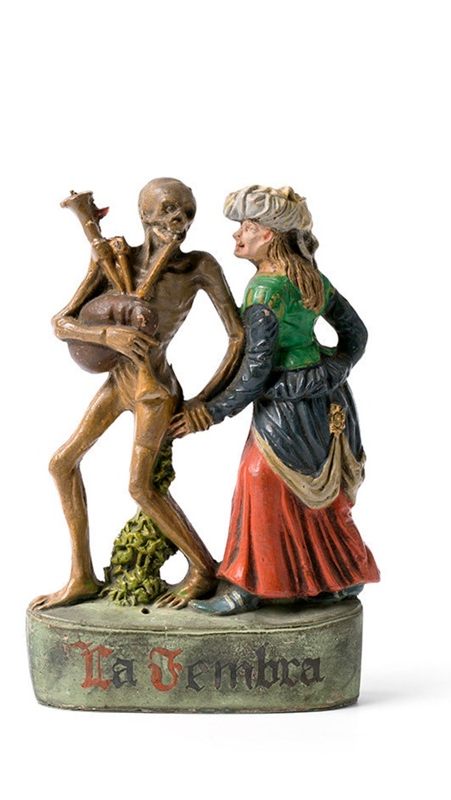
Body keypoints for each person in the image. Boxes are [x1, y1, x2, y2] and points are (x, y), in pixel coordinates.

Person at [30, 178, 244, 612]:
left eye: (187, 213)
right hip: (119, 381)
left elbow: (237, 336)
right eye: (168, 211)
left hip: (154, 390)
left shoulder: (199, 266)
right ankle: (81, 577)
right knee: (61, 464)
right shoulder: (114, 259)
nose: (179, 222)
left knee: (141, 486)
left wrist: (204, 402)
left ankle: (203, 568)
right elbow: (61, 323)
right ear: (144, 214)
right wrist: (107, 335)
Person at [171, 185, 379, 615]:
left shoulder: (264, 291)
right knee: (310, 491)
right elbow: (355, 336)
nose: (237, 235)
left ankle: (248, 587)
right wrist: (331, 372)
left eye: (246, 227)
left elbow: (256, 371)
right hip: (329, 402)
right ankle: (336, 575)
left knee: (259, 479)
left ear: (269, 235)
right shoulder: (311, 279)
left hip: (288, 406)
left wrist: (209, 413)